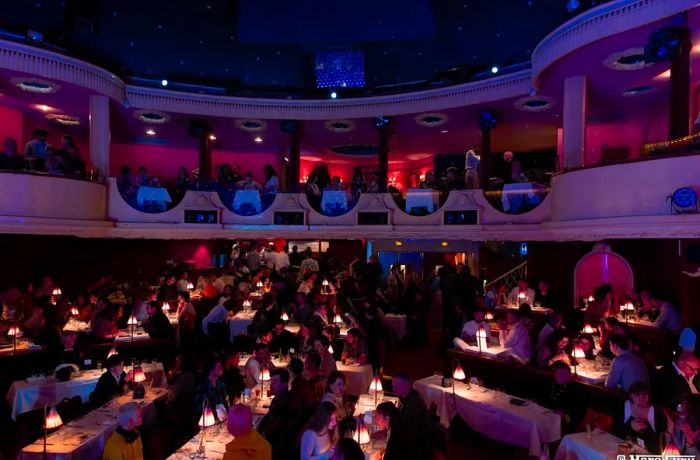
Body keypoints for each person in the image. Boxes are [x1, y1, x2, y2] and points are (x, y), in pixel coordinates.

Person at [614, 381, 667, 454]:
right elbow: (615, 431)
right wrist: (630, 426)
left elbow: (661, 441)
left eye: (644, 396)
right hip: (624, 449)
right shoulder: (624, 407)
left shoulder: (657, 413)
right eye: (637, 395)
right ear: (631, 395)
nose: (641, 399)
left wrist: (646, 430)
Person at [257, 369, 299, 460]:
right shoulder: (277, 399)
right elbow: (268, 417)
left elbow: (274, 430)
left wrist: (259, 434)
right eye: (271, 381)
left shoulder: (287, 404)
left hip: (280, 451)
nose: (271, 385)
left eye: (275, 382)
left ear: (284, 384)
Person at [391, 373, 432, 459]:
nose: (393, 389)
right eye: (393, 385)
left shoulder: (414, 405)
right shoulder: (410, 395)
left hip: (417, 449)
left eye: (396, 386)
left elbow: (406, 432)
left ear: (406, 385)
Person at [545, 362, 585, 434]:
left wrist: (564, 416)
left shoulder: (575, 390)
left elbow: (578, 416)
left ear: (569, 376)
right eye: (559, 374)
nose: (561, 376)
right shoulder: (551, 384)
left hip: (567, 422)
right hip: (548, 417)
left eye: (564, 375)